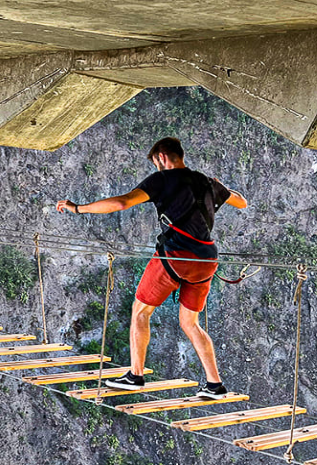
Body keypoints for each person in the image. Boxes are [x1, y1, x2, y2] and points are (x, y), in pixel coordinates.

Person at [56, 137, 247, 398]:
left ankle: (136, 375)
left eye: (156, 161)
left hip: (176, 257)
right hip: (207, 261)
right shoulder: (205, 181)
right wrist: (217, 186)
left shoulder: (161, 180)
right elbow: (241, 202)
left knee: (140, 312)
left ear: (161, 157)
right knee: (190, 323)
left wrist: (78, 208)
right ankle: (215, 384)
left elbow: (122, 203)